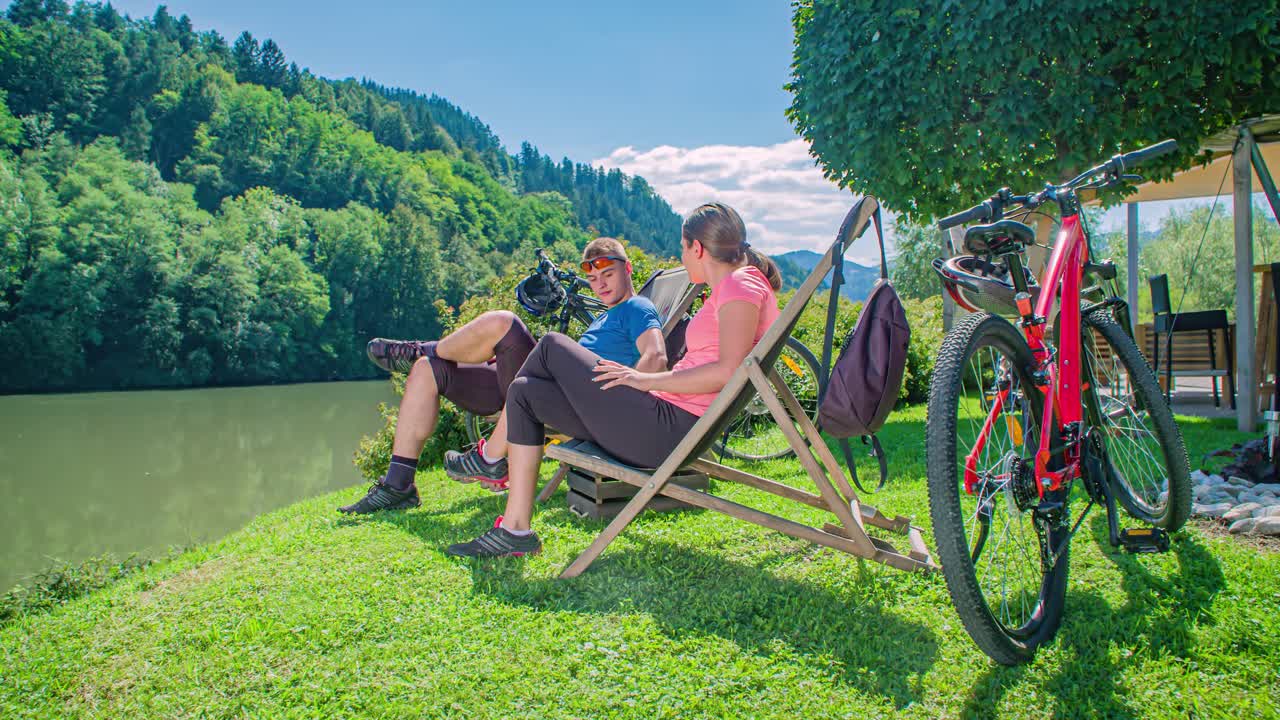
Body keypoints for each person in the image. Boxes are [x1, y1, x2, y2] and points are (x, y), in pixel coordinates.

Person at [444, 202, 781, 557]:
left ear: (696, 247)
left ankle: (491, 459)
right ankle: (515, 530)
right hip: (660, 424)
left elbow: (727, 371)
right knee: (526, 393)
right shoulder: (736, 286)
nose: (682, 257)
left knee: (551, 345)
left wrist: (643, 380)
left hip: (665, 432)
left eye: (683, 248)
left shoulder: (739, 284)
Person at [340, 237, 668, 514]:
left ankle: (420, 348)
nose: (601, 285)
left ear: (627, 269)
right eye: (595, 280)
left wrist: (628, 400)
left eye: (608, 275)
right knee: (428, 370)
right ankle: (398, 486)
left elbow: (656, 355)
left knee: (503, 322)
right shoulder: (603, 319)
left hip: (581, 404)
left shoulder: (637, 308)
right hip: (536, 390)